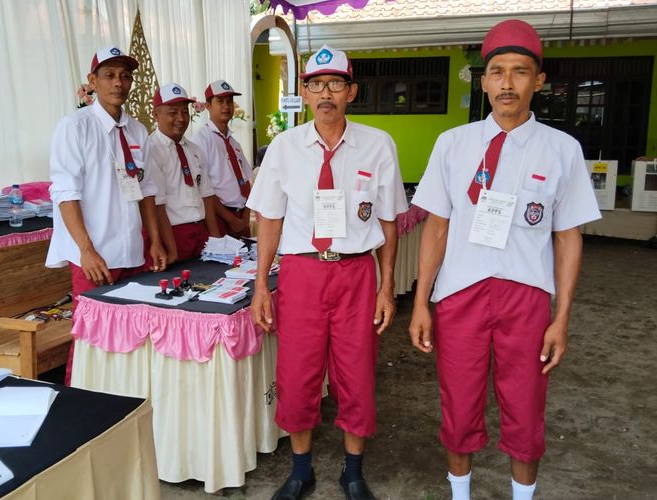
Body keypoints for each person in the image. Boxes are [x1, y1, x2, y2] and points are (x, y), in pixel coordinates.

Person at [408, 20, 601, 500]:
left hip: (527, 297)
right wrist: (420, 302)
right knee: (459, 404)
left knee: (526, 405)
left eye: (520, 72)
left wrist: (562, 317)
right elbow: (436, 227)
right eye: (497, 71)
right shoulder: (453, 145)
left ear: (539, 80)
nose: (507, 83)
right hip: (460, 294)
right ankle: (460, 495)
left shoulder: (562, 150)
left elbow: (568, 237)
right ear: (484, 80)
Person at [248, 45, 408, 500]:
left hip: (357, 275)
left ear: (351, 91)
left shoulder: (377, 145)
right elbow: (269, 219)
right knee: (298, 373)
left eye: (335, 83)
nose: (325, 93)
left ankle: (352, 471)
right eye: (316, 84)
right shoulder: (284, 148)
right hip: (301, 275)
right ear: (303, 92)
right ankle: (301, 470)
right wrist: (262, 283)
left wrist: (388, 285)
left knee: (356, 373)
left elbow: (389, 220)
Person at [46, 46, 168, 384]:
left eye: (125, 76)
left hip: (132, 250)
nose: (119, 83)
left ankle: (124, 400)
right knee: (91, 338)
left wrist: (154, 242)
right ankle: (80, 400)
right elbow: (65, 193)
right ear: (93, 81)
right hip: (95, 254)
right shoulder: (75, 127)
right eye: (110, 75)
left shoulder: (138, 130)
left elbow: (147, 190)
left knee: (133, 335)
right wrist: (86, 249)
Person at [147, 83, 220, 262]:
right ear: (156, 114)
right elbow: (158, 204)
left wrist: (216, 241)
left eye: (185, 112)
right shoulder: (151, 150)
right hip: (172, 234)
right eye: (173, 112)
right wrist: (171, 248)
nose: (181, 118)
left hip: (200, 231)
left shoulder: (194, 149)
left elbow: (206, 195)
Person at [192, 80, 253, 238]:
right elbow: (203, 189)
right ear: (208, 106)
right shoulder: (201, 140)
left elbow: (247, 180)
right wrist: (231, 219)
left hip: (241, 217)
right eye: (220, 101)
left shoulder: (234, 142)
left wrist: (246, 216)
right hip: (220, 218)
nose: (226, 106)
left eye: (229, 101)